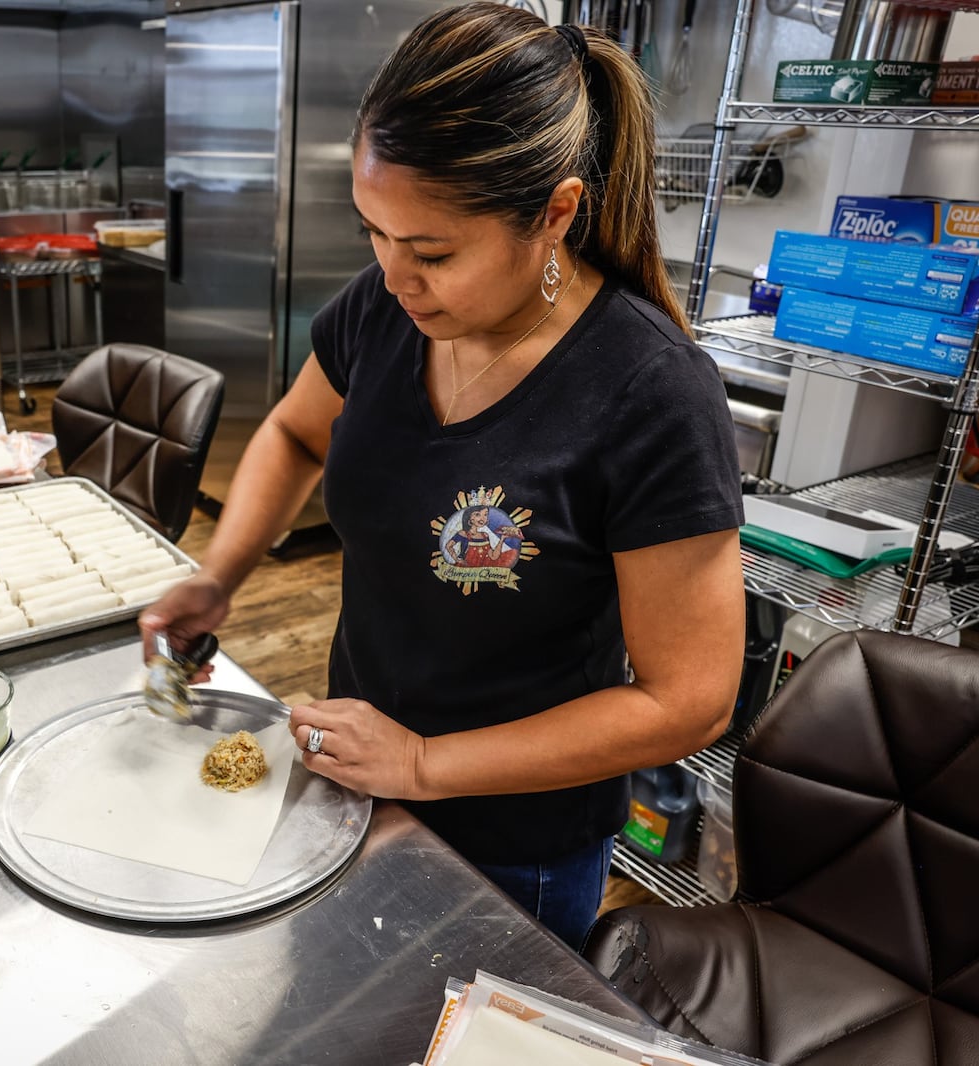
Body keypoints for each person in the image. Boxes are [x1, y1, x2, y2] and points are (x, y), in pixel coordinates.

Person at [140, 4, 745, 952]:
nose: (392, 276)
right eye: (374, 232)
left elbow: (690, 698)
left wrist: (426, 763)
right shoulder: (383, 314)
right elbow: (297, 435)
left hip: (514, 844)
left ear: (555, 214)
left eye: (431, 253)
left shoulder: (651, 393)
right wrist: (221, 574)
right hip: (352, 785)